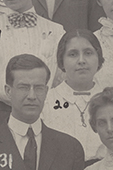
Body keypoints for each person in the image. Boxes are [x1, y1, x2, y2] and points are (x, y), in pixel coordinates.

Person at [43, 29, 108, 159]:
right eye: (73, 54)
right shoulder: (46, 101)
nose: (81, 61)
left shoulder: (110, 100)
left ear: (99, 59)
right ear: (61, 61)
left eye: (88, 53)